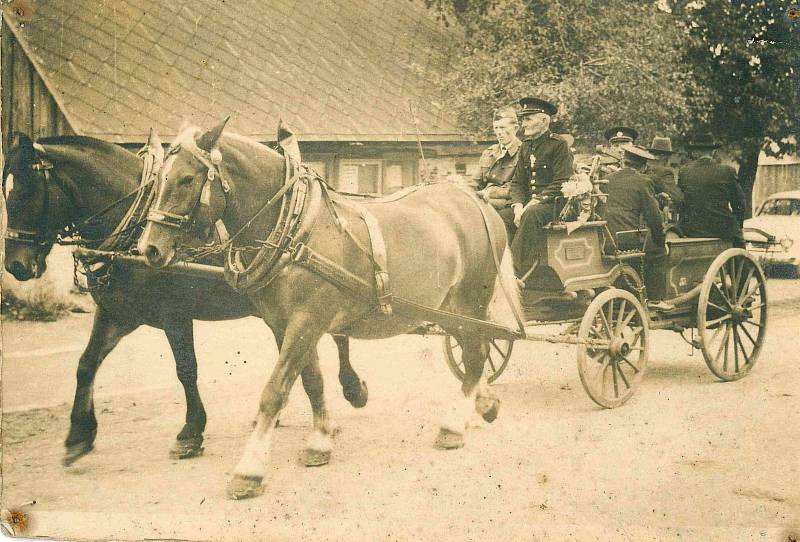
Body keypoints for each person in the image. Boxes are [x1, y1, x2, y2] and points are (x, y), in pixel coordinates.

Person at [508, 97, 574, 280]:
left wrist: (534, 202)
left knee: (532, 214)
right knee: (500, 216)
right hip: (530, 205)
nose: (523, 124)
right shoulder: (526, 146)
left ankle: (513, 269)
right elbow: (518, 182)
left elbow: (562, 181)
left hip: (553, 204)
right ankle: (498, 263)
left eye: (528, 119)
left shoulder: (558, 144)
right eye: (523, 119)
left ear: (544, 120)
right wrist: (518, 206)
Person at [606, 144, 673, 311]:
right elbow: (654, 217)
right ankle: (655, 299)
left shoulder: (608, 179)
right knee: (658, 250)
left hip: (605, 239)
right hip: (628, 241)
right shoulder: (643, 181)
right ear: (643, 166)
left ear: (623, 162)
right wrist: (660, 237)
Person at [678, 132, 746, 246]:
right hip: (722, 228)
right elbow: (740, 204)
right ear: (713, 152)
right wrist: (736, 226)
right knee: (740, 249)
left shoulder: (684, 172)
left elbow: (682, 204)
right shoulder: (727, 171)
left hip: (692, 230)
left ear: (695, 153)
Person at [471, 107, 522, 240]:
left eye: (503, 128)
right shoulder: (489, 152)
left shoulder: (524, 152)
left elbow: (517, 187)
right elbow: (475, 182)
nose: (499, 133)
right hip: (485, 201)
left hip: (509, 205)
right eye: (496, 128)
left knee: (498, 224)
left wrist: (489, 193)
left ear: (515, 128)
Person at [647, 136, 684, 212]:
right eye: (669, 156)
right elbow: (677, 198)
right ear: (664, 156)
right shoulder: (665, 172)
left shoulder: (645, 167)